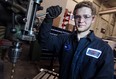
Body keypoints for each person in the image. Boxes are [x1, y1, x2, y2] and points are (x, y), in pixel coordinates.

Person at [38, 1, 114, 79]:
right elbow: (44, 40)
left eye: (86, 16)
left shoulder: (104, 49)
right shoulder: (65, 39)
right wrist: (49, 19)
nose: (81, 21)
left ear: (93, 19)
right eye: (78, 16)